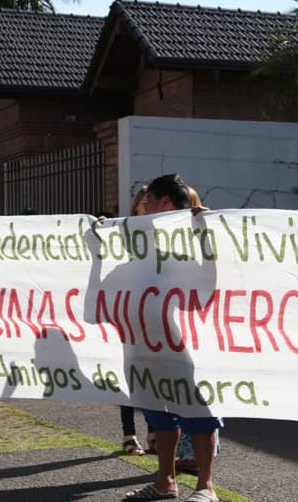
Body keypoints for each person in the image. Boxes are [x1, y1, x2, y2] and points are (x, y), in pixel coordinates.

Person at [124, 174, 222, 502]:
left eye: (148, 200)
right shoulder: (139, 238)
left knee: (198, 411)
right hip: (147, 341)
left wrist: (204, 231)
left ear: (165, 202)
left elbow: (214, 271)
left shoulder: (197, 231)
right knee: (158, 409)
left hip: (188, 342)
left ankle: (205, 487)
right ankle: (165, 482)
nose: (143, 206)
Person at [120, 185, 156, 456]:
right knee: (129, 378)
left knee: (153, 376)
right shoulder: (124, 232)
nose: (147, 204)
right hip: (129, 314)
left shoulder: (165, 231)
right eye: (144, 200)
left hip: (154, 315)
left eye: (150, 200)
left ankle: (154, 431)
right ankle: (129, 434)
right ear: (135, 206)